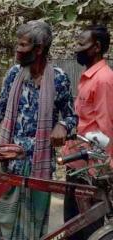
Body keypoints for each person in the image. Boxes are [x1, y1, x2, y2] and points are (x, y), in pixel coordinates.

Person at [0, 20, 78, 240]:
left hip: (39, 167)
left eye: (22, 45)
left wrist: (62, 125)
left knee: (32, 229)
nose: (17, 50)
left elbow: (72, 117)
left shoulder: (59, 79)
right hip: (10, 162)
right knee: (3, 224)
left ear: (39, 49)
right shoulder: (14, 74)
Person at [63, 25, 113, 240]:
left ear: (97, 47)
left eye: (82, 44)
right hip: (76, 165)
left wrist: (99, 174)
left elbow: (106, 127)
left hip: (90, 172)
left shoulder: (103, 79)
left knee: (87, 231)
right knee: (72, 227)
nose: (77, 49)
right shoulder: (89, 77)